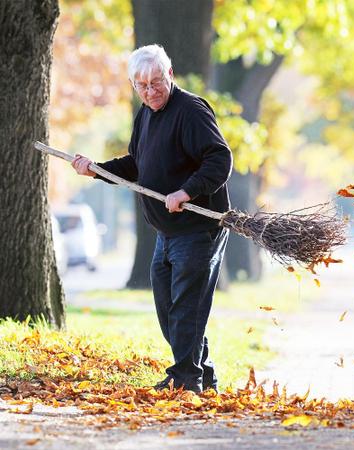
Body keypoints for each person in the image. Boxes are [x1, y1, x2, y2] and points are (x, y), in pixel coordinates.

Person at [71, 44, 232, 393]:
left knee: (186, 306)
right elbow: (136, 165)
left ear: (170, 74)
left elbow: (219, 159)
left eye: (156, 82)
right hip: (167, 231)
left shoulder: (190, 110)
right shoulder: (145, 114)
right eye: (141, 85)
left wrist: (187, 191)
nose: (150, 91)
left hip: (198, 228)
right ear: (133, 85)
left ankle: (185, 380)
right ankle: (202, 373)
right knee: (167, 307)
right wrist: (96, 170)